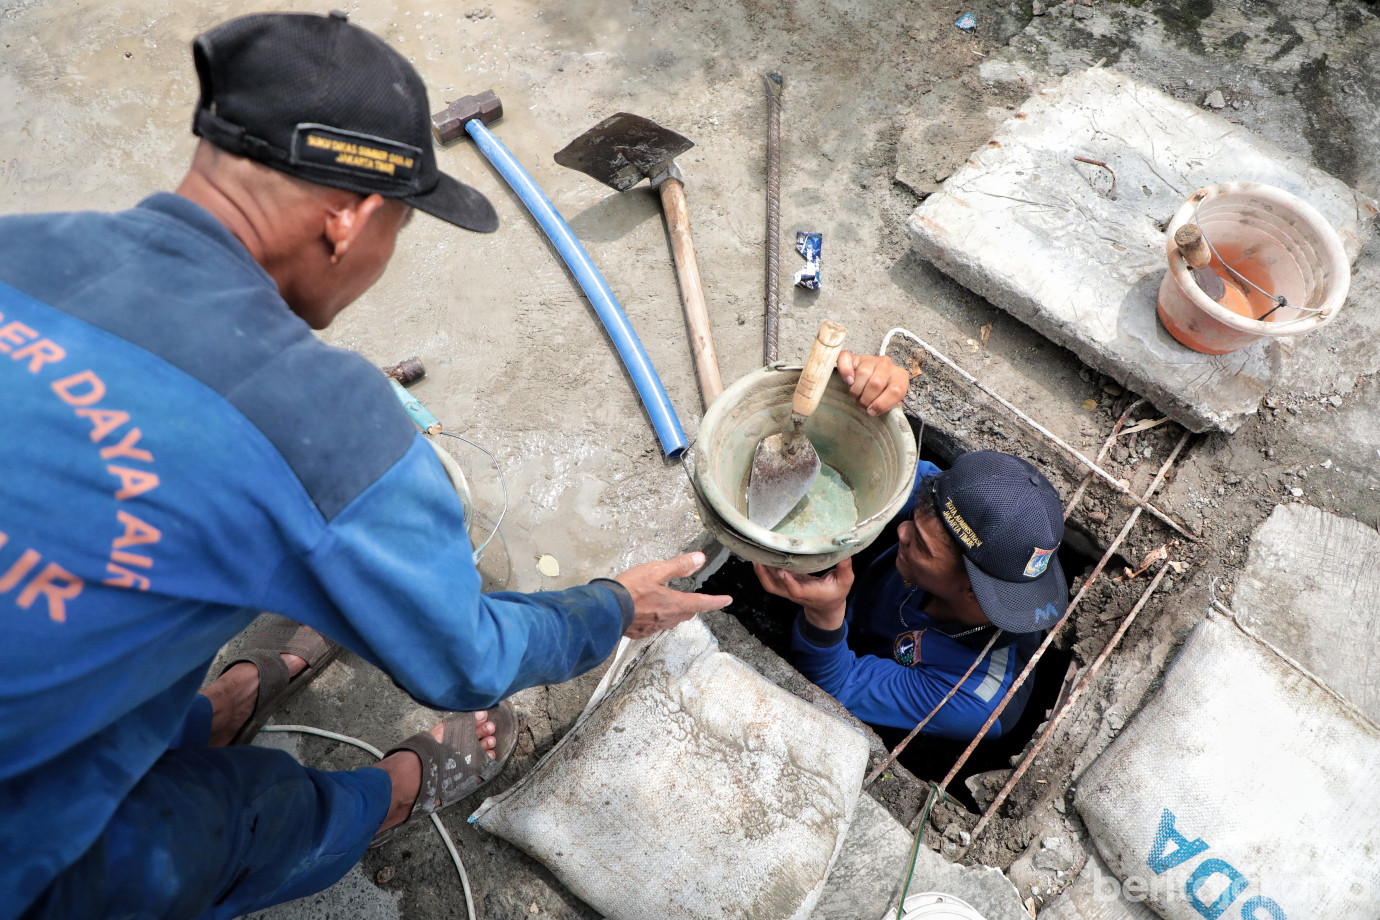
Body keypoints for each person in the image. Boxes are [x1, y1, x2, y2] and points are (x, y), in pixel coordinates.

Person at [0, 12, 735, 919]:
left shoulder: (20, 241)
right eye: (404, 224)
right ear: (349, 218)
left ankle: (222, 705)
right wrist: (615, 607)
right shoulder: (321, 421)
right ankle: (392, 794)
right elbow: (462, 659)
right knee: (247, 815)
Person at [755, 450, 1069, 747]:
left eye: (919, 542)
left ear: (973, 590)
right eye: (915, 518)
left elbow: (837, 686)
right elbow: (879, 468)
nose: (902, 531)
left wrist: (825, 613)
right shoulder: (960, 505)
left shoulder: (975, 697)